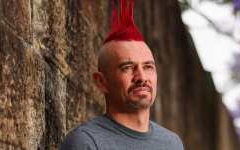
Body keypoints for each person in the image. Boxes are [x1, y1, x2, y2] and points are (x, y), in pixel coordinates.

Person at [59, 0, 184, 149]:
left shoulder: (172, 144)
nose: (142, 78)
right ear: (101, 82)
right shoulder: (85, 142)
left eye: (148, 67)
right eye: (127, 67)